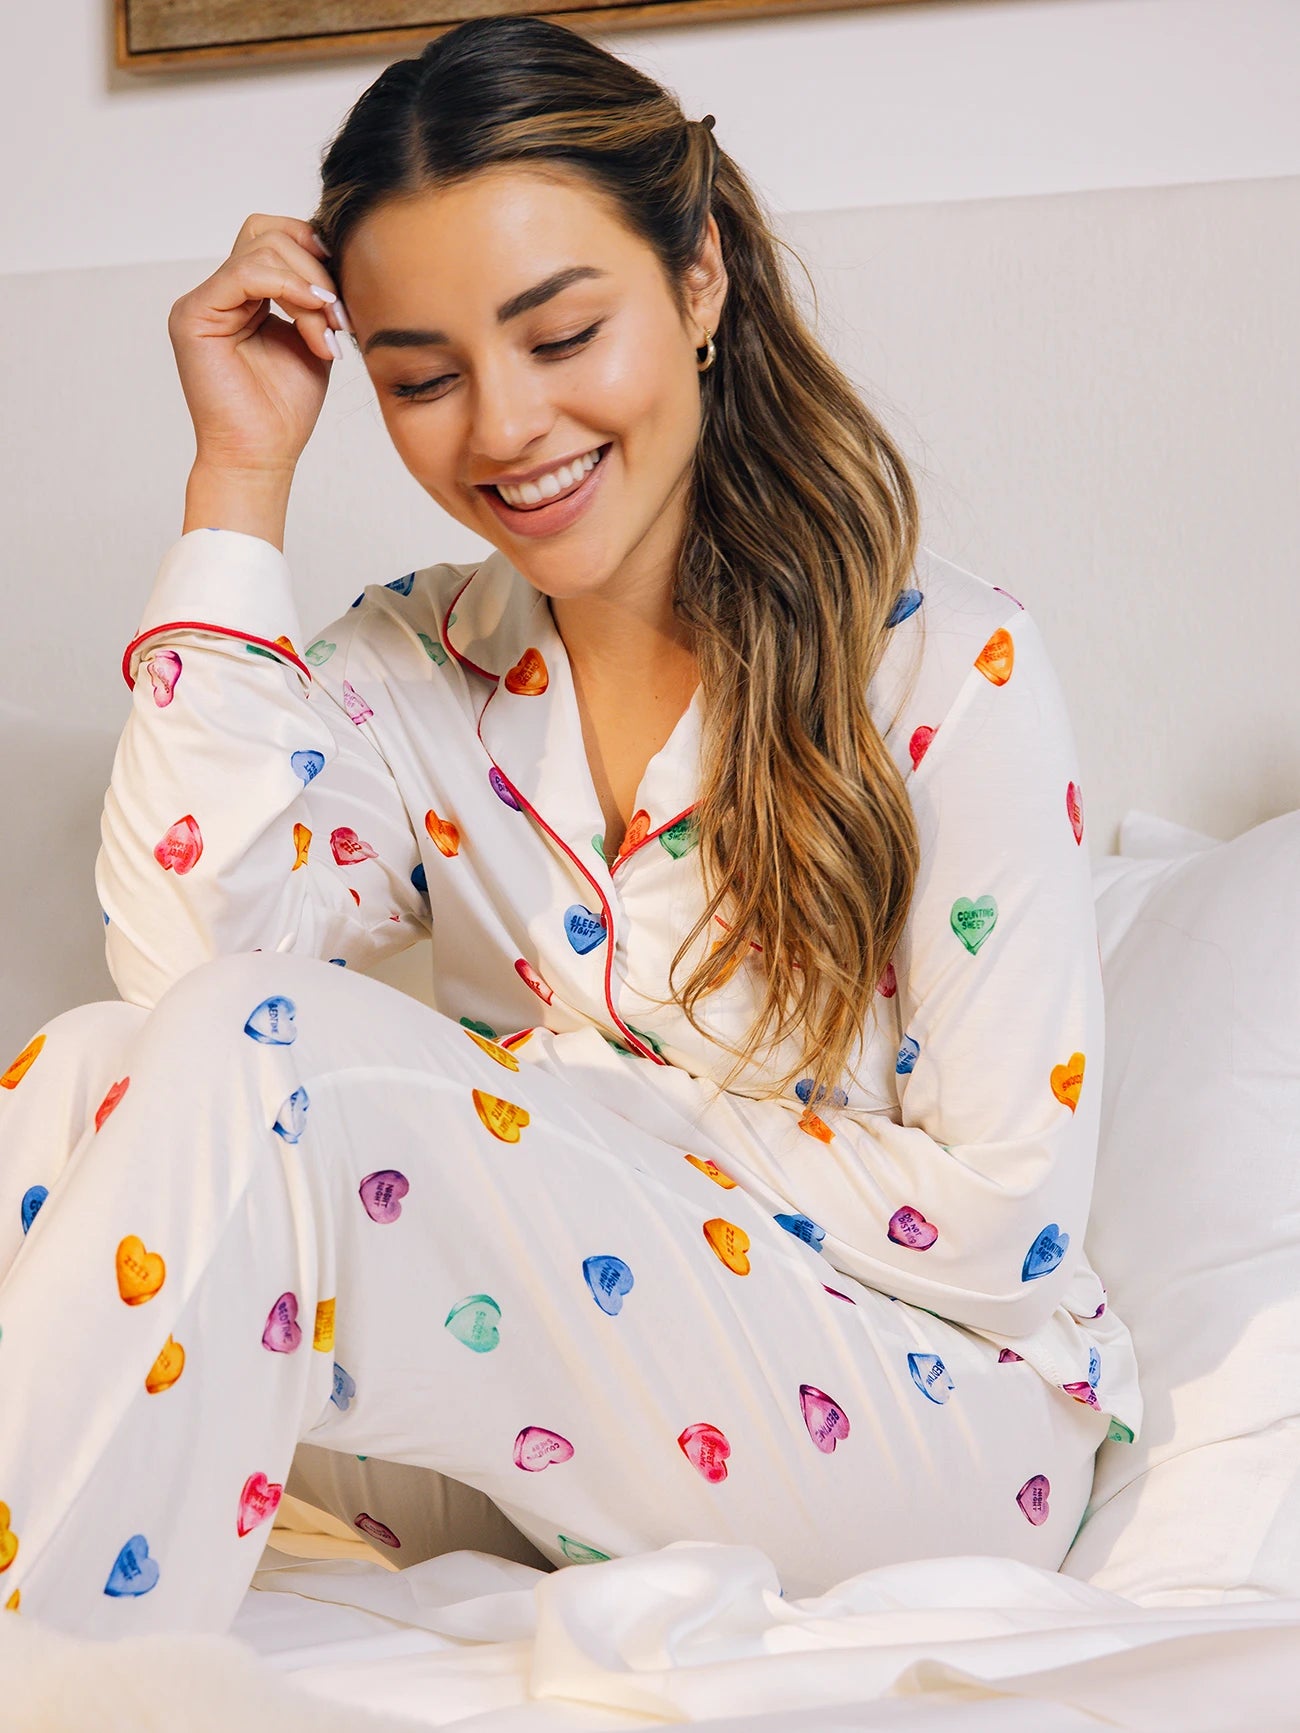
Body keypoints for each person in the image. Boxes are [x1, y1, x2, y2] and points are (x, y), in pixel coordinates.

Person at [0, 14, 1141, 1640]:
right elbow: (192, 964)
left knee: (269, 1054)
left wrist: (575, 1110)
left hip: (930, 1424)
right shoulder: (414, 666)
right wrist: (237, 476)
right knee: (93, 1077)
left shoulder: (952, 667)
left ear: (699, 283)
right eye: (423, 377)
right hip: (567, 1428)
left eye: (559, 333)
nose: (505, 426)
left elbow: (1009, 1213)